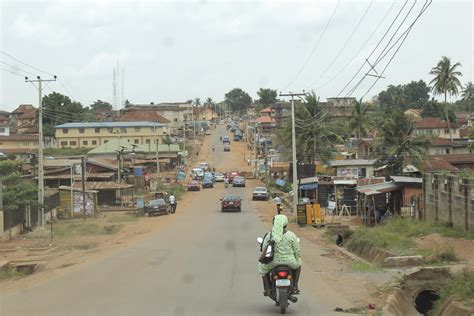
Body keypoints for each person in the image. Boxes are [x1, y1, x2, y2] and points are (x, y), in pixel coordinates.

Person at [258, 215, 301, 296]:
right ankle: (295, 286)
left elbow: (264, 248)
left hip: (273, 262)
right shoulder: (291, 235)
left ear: (274, 224)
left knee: (262, 268)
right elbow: (297, 250)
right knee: (298, 265)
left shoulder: (270, 235)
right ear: (286, 224)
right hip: (290, 262)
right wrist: (296, 258)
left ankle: (267, 288)